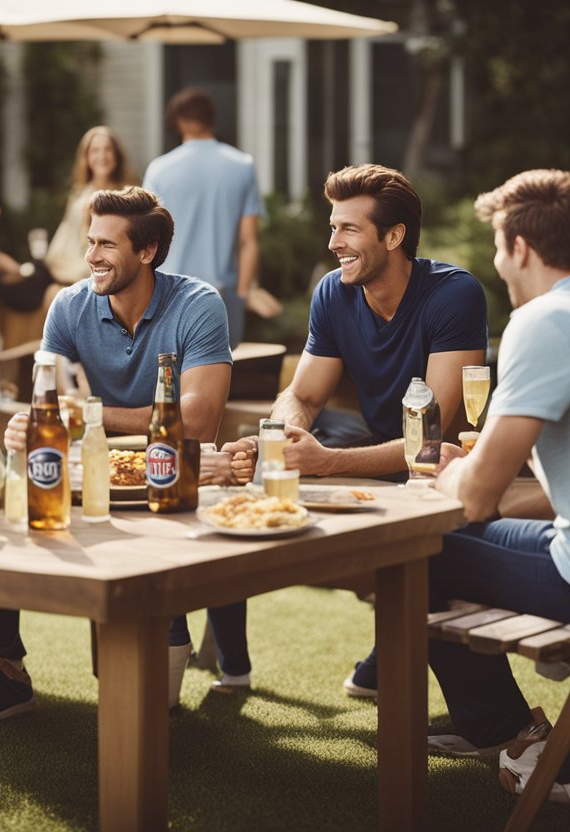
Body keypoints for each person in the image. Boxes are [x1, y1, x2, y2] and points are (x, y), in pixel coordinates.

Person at [221, 164, 488, 697]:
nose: (333, 242)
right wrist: (276, 440)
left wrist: (325, 461)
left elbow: (430, 437)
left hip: (450, 470)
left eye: (348, 229)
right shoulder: (334, 293)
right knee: (235, 493)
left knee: (427, 561)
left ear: (394, 236)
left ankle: (408, 653)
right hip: (378, 449)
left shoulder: (453, 295)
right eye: (332, 226)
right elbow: (304, 395)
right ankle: (231, 662)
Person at [429, 169, 570, 801]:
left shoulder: (541, 322)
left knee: (418, 555)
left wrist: (448, 473)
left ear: (520, 248)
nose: (499, 263)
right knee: (497, 534)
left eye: (499, 247)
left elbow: (475, 497)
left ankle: (511, 732)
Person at [0, 186, 233, 719]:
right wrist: (35, 424)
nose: (91, 256)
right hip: (87, 474)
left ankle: (168, 631)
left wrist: (88, 415)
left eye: (106, 245)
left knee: (147, 705)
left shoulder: (198, 304)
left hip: (170, 476)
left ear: (148, 251)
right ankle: (4, 667)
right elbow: (47, 405)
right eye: (90, 241)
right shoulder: (69, 306)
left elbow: (199, 421)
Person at [143, 88, 278, 347]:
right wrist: (241, 295)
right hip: (223, 294)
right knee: (222, 380)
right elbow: (249, 241)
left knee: (169, 378)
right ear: (212, 119)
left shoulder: (158, 170)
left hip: (168, 294)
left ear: (179, 121)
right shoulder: (242, 165)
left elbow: (148, 239)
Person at [0, 125, 135, 314]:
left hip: (83, 269)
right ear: (87, 157)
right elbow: (65, 232)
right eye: (95, 150)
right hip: (59, 264)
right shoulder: (80, 192)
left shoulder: (124, 196)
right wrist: (49, 261)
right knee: (13, 284)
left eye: (108, 149)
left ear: (116, 155)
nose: (102, 156)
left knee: (26, 287)